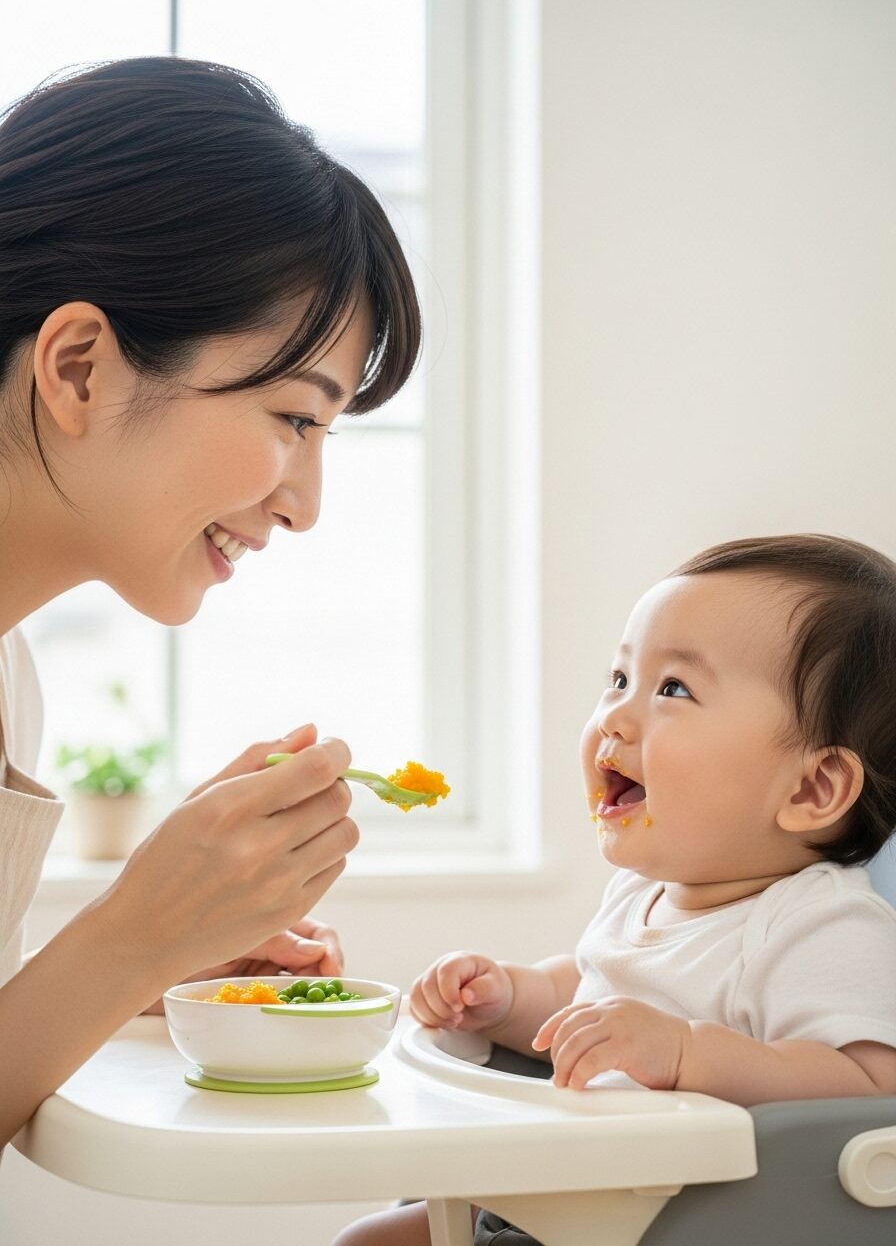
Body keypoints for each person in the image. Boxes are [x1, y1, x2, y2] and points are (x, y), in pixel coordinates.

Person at [0, 55, 421, 1150]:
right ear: (80, 367)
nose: (305, 505)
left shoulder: (11, 674)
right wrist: (131, 936)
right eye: (295, 418)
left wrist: (157, 953)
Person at [335, 533, 896, 1246]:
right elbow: (586, 1001)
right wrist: (506, 999)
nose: (614, 716)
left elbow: (872, 1092)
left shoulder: (822, 923)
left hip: (681, 1224)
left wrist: (687, 1054)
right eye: (620, 678)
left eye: (673, 689)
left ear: (812, 788)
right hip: (564, 1196)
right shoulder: (642, 894)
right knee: (367, 1239)